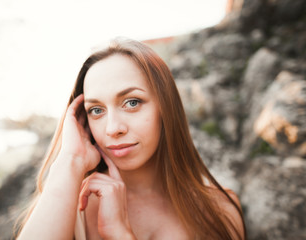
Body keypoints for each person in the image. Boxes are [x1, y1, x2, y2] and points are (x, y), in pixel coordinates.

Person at [16, 38, 246, 240]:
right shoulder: (65, 210)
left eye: (132, 102)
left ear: (165, 108)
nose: (113, 129)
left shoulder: (219, 211)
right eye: (96, 110)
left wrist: (120, 234)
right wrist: (71, 159)